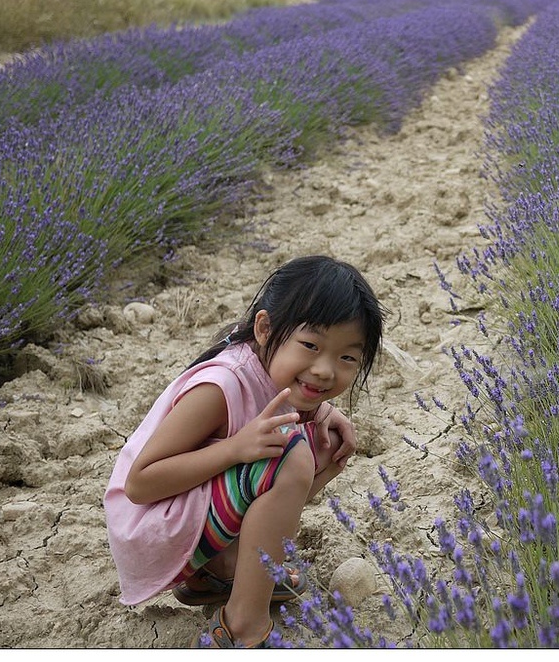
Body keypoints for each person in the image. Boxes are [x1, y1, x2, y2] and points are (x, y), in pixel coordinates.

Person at [104, 255, 384, 648]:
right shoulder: (219, 387)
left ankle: (225, 571)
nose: (325, 370)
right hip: (152, 529)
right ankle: (243, 623)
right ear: (265, 329)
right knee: (290, 455)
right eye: (310, 345)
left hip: (186, 515)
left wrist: (322, 413)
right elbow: (141, 484)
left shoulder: (271, 373)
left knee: (321, 443)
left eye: (347, 357)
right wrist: (236, 449)